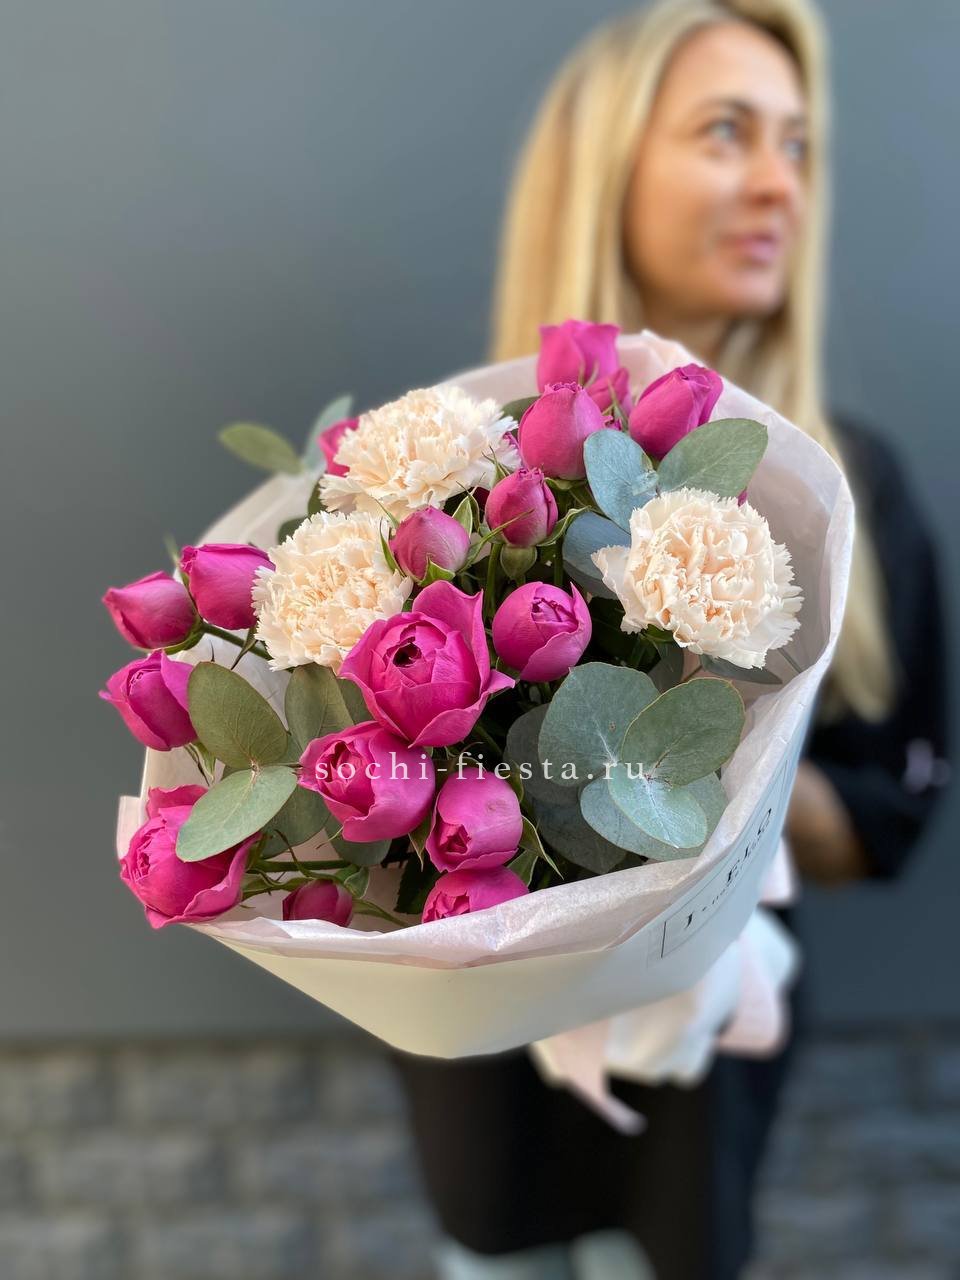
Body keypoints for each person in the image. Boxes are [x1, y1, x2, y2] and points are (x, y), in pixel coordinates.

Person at [389, 2, 952, 1277]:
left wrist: (718, 745)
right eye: (726, 132)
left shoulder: (851, 495)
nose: (780, 183)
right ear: (608, 169)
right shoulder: (451, 482)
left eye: (797, 145)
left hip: (699, 1099)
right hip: (486, 1099)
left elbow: (893, 815)